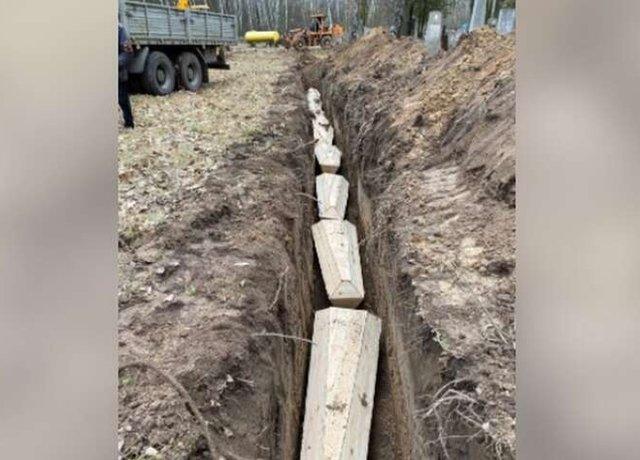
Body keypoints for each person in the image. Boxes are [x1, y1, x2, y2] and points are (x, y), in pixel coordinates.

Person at [118, 22, 135, 129]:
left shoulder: (119, 29)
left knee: (122, 99)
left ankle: (129, 123)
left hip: (118, 72)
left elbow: (128, 52)